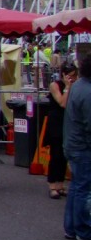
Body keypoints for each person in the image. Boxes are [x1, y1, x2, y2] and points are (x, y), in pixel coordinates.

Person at [63, 55, 91, 240]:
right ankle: (82, 229)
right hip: (82, 145)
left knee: (76, 187)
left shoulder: (78, 86)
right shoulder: (88, 91)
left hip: (72, 142)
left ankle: (72, 227)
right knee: (82, 188)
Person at [46, 63, 77, 199]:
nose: (73, 79)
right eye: (70, 76)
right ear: (64, 75)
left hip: (68, 122)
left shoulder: (76, 86)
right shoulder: (55, 85)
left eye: (75, 76)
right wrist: (68, 87)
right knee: (56, 154)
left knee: (64, 154)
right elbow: (62, 103)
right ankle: (52, 184)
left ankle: (60, 184)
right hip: (56, 122)